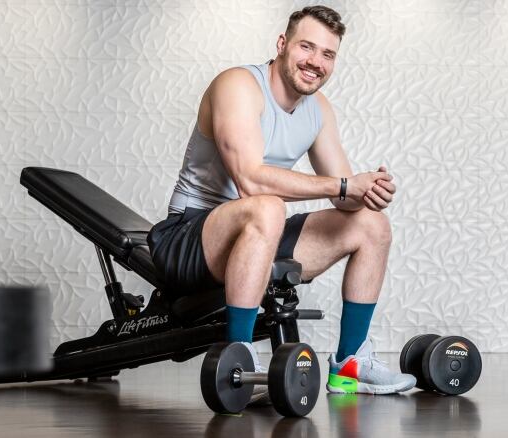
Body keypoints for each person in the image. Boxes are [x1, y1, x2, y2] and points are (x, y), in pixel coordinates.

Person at [148, 5, 415, 395]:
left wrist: (367, 190)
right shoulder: (237, 85)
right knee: (269, 204)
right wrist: (343, 186)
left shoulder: (318, 109)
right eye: (307, 47)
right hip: (187, 236)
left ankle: (350, 364)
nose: (316, 62)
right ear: (282, 44)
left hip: (259, 234)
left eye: (328, 54)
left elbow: (344, 197)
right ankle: (239, 355)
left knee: (372, 225)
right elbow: (252, 181)